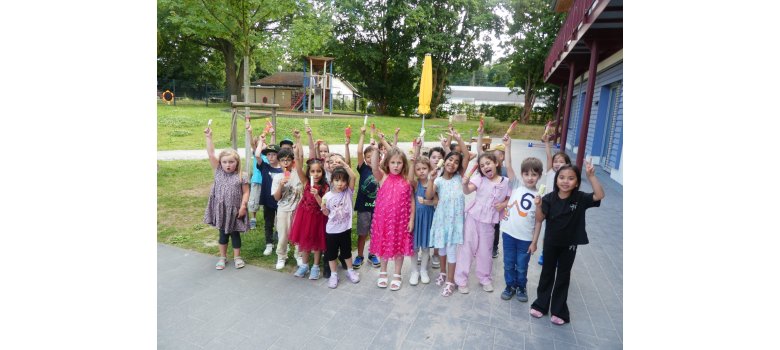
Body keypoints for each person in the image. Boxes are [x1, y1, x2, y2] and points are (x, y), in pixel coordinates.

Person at [529, 161, 604, 325]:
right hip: (550, 243)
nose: (565, 181)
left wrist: (591, 176)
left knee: (563, 276)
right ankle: (541, 305)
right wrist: (539, 205)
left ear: (577, 182)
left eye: (571, 178)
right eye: (562, 177)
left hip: (569, 245)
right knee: (547, 273)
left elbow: (599, 196)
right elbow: (540, 219)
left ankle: (559, 310)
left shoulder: (581, 198)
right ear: (556, 180)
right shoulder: (549, 198)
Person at [454, 148, 511, 294]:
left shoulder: (506, 182)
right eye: (482, 165)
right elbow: (467, 191)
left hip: (489, 222)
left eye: (488, 163)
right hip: (473, 218)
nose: (485, 167)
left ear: (496, 163)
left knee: (485, 250)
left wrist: (503, 205)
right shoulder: (479, 179)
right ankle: (461, 279)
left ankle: (485, 278)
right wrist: (465, 184)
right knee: (467, 247)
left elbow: (510, 198)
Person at [498, 136, 543, 302]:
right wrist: (508, 146)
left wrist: (534, 241)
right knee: (508, 263)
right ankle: (509, 285)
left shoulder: (539, 195)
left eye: (534, 174)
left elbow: (539, 221)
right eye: (526, 174)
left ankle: (521, 286)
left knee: (522, 266)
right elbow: (508, 165)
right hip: (508, 234)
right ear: (522, 174)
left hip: (525, 239)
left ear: (539, 176)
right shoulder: (516, 185)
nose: (530, 177)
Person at [426, 129, 469, 297]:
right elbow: (429, 195)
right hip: (441, 220)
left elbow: (465, 155)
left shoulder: (459, 177)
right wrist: (430, 180)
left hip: (455, 222)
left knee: (451, 251)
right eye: (450, 159)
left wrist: (459, 138)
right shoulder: (437, 180)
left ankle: (451, 281)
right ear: (444, 161)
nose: (452, 163)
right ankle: (442, 273)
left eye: (456, 162)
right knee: (442, 249)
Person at [370, 134, 415, 291]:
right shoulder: (383, 177)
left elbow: (412, 200)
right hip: (383, 220)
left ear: (403, 164)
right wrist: (376, 149)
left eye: (399, 163)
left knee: (399, 248)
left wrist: (411, 220)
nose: (396, 166)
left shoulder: (407, 180)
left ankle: (397, 274)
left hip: (401, 221)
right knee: (383, 246)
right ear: (387, 164)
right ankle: (383, 272)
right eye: (393, 162)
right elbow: (374, 167)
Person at [203, 125, 249, 270]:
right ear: (221, 163)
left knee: (235, 235)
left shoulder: (242, 175)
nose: (228, 165)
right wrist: (209, 137)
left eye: (231, 162)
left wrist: (243, 206)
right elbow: (211, 154)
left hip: (235, 210)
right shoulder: (219, 171)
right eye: (225, 162)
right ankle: (222, 257)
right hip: (221, 209)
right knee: (222, 234)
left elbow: (246, 192)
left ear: (237, 163)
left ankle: (237, 257)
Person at [288, 131, 329, 280]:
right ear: (309, 172)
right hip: (305, 216)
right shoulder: (305, 182)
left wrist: (317, 194)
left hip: (318, 218)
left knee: (317, 242)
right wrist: (298, 141)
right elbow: (298, 165)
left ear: (322, 172)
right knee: (305, 241)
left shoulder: (325, 187)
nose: (316, 174)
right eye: (313, 171)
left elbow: (323, 205)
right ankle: (304, 265)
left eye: (319, 171)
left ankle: (316, 267)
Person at [319, 165, 361, 288]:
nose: (340, 183)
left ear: (347, 183)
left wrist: (343, 163)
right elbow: (326, 213)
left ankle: (350, 271)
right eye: (337, 180)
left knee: (346, 253)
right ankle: (333, 274)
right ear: (332, 181)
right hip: (332, 231)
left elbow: (353, 176)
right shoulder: (327, 197)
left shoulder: (348, 192)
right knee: (331, 254)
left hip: (345, 230)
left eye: (343, 180)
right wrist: (323, 209)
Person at [538, 134, 572, 265]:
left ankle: (557, 256)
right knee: (547, 232)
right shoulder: (551, 171)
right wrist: (547, 142)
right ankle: (544, 254)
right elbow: (548, 156)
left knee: (560, 232)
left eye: (561, 161)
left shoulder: (568, 177)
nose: (557, 163)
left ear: (567, 164)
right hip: (549, 206)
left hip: (562, 208)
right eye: (556, 161)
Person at [270, 146, 303, 270]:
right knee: (283, 235)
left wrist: (297, 148)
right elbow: (277, 198)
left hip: (297, 209)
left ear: (292, 161)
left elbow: (301, 159)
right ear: (279, 162)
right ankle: (281, 256)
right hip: (283, 209)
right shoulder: (277, 177)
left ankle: (299, 255)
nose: (285, 162)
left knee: (298, 234)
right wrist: (280, 186)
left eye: (288, 160)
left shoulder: (298, 174)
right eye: (283, 160)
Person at [353, 126, 381, 270]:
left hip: (377, 208)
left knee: (375, 233)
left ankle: (372, 254)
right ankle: (359, 255)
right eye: (368, 157)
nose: (371, 159)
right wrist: (363, 134)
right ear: (364, 159)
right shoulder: (363, 168)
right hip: (364, 207)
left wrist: (376, 146)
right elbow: (358, 151)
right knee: (363, 233)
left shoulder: (381, 171)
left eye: (374, 156)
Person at [255, 129, 283, 257]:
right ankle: (269, 244)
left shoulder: (283, 169)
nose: (270, 157)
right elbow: (257, 155)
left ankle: (283, 244)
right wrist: (261, 141)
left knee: (282, 223)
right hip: (267, 200)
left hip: (281, 200)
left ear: (279, 155)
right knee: (268, 222)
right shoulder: (264, 167)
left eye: (273, 154)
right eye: (268, 155)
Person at [409, 153, 437, 285]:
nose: (421, 171)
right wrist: (411, 164)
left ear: (429, 169)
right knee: (414, 247)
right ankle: (414, 271)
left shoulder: (434, 183)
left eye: (424, 168)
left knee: (426, 247)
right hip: (416, 218)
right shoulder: (415, 184)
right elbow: (409, 178)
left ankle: (423, 270)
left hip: (427, 219)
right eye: (418, 169)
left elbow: (436, 201)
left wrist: (426, 201)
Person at [426, 146, 446, 269]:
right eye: (433, 157)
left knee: (438, 230)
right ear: (429, 159)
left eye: (439, 158)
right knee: (427, 228)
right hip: (426, 206)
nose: (436, 160)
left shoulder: (444, 174)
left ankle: (436, 253)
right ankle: (425, 252)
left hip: (439, 207)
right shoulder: (425, 170)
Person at [248, 135, 263, 230]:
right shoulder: (256, 154)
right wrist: (250, 132)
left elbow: (272, 144)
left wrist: (273, 134)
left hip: (267, 181)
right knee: (254, 200)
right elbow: (252, 144)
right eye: (260, 143)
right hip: (257, 180)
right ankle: (253, 218)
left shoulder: (268, 155)